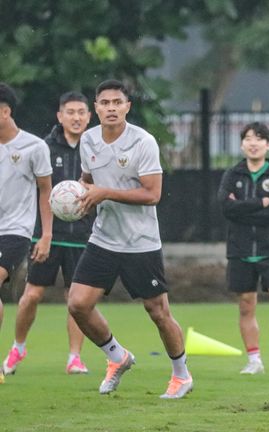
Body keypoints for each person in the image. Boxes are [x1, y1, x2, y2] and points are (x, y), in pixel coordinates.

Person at [66, 79, 192, 399]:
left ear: (127, 107)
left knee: (158, 313)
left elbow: (153, 194)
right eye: (104, 102)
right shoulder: (89, 140)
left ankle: (181, 375)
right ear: (96, 108)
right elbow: (88, 179)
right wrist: (78, 198)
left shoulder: (143, 142)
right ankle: (117, 356)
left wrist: (105, 193)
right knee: (78, 304)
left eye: (117, 102)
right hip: (103, 238)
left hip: (141, 242)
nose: (111, 108)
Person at [3, 91, 94, 377]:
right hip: (44, 234)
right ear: (60, 116)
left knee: (76, 298)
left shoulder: (95, 148)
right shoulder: (45, 147)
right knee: (32, 295)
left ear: (89, 117)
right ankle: (18, 347)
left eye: (81, 112)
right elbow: (41, 190)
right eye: (71, 112)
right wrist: (44, 233)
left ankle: (74, 357)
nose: (76, 117)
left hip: (82, 234)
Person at [218, 122, 269, 375]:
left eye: (259, 138)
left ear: (268, 144)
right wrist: (259, 203)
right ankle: (254, 361)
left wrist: (243, 206)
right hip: (240, 249)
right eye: (248, 138)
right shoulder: (233, 174)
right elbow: (225, 208)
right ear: (242, 144)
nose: (253, 143)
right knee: (246, 305)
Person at [0, 83, 53, 385]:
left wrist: (45, 235)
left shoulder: (34, 147)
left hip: (15, 231)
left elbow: (45, 191)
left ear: (5, 112)